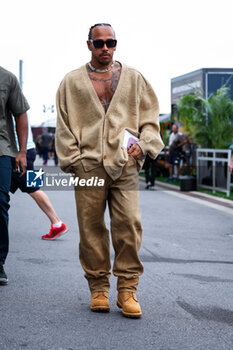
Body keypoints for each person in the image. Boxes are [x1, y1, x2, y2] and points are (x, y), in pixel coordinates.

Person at [56, 23, 164, 318]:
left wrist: (144, 145)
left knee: (128, 224)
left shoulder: (135, 78)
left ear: (116, 44)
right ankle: (99, 288)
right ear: (89, 44)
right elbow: (64, 126)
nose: (106, 48)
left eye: (111, 42)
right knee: (91, 229)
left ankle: (127, 289)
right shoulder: (72, 82)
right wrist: (75, 160)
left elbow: (150, 119)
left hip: (125, 164)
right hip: (88, 165)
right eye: (99, 43)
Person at [10, 116, 68, 240]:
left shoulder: (12, 100)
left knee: (34, 188)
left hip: (19, 152)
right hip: (27, 150)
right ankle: (57, 223)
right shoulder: (19, 101)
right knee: (34, 187)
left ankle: (57, 223)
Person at [0, 66, 29, 285]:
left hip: (3, 151)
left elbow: (21, 114)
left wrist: (22, 152)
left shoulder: (7, 78)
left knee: (1, 202)